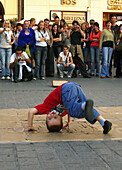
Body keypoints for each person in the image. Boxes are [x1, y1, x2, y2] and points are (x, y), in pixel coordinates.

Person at [27, 82, 112, 135]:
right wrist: (69, 121)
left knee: (75, 111)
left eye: (49, 118)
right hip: (76, 88)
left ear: (46, 118)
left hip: (65, 90)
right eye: (55, 117)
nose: (52, 115)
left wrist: (30, 126)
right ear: (61, 118)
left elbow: (31, 112)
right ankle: (104, 122)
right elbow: (68, 111)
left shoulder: (46, 107)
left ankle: (84, 105)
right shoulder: (63, 112)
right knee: (86, 112)